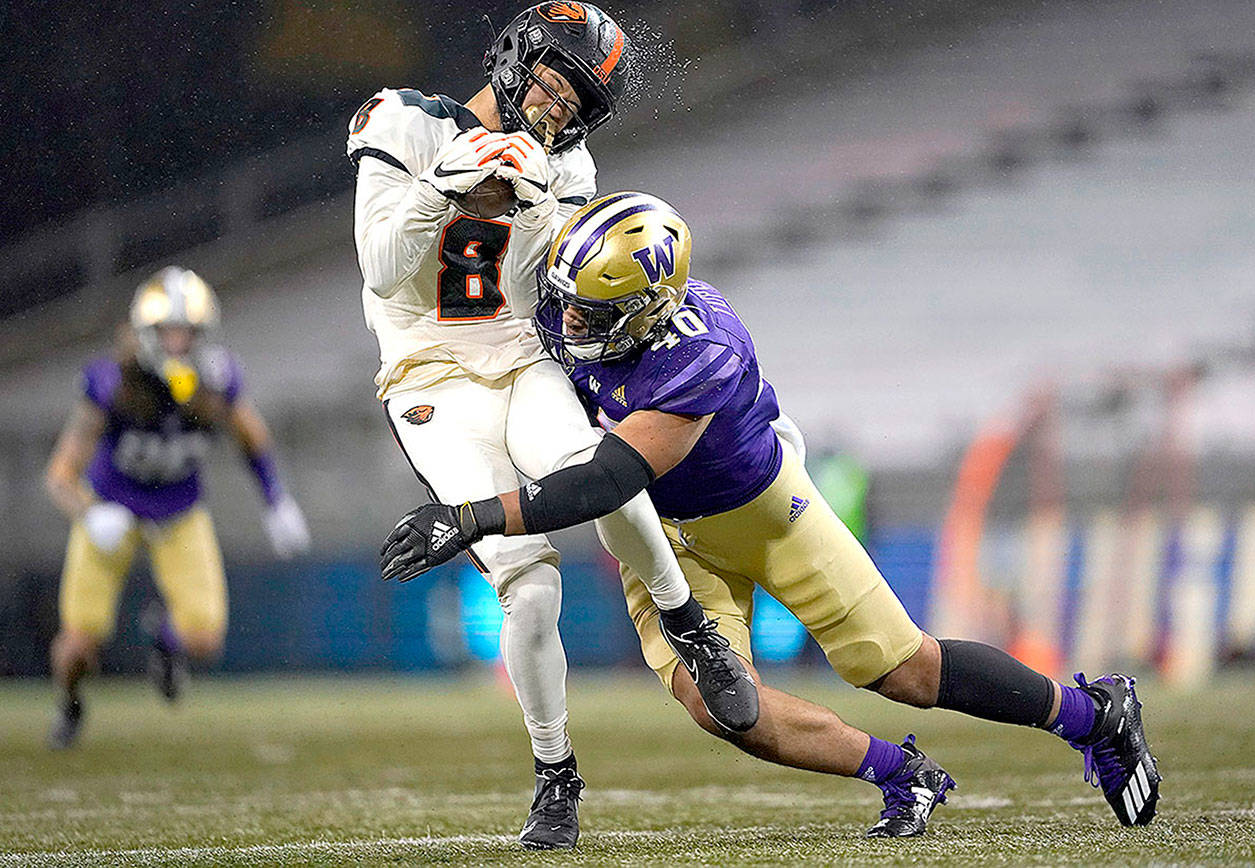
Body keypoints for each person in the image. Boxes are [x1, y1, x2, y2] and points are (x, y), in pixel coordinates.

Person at [379, 192, 1164, 836]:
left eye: (593, 313)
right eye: (569, 305)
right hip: (665, 543)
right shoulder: (570, 309)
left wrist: (471, 516)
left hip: (762, 512)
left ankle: (1092, 716)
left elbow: (607, 480)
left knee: (904, 671)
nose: (569, 324)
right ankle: (904, 775)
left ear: (650, 307)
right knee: (724, 708)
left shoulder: (700, 350)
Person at [349, 3, 757, 850]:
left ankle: (691, 627)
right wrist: (446, 185)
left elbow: (552, 291)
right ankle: (556, 773)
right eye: (555, 78)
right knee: (528, 584)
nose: (560, 105)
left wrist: (534, 204)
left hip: (519, 357)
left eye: (579, 98)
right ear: (515, 53)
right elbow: (384, 268)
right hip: (429, 375)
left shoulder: (567, 165)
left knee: (597, 469)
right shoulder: (402, 122)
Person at [45, 266, 310, 749]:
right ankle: (70, 704)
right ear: (145, 333)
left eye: (188, 332)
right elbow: (59, 475)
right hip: (113, 510)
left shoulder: (217, 380)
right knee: (79, 645)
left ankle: (165, 645)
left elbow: (252, 439)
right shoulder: (112, 382)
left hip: (178, 511)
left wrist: (277, 501)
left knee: (204, 639)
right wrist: (89, 512)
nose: (179, 342)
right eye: (168, 331)